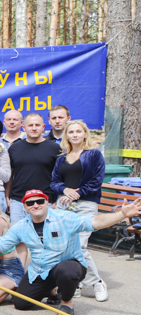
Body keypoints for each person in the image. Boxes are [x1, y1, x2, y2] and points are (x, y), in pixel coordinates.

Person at [0, 191, 141, 315]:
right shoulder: (22, 226)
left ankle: (67, 302)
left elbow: (96, 222)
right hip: (41, 270)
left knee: (66, 272)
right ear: (25, 207)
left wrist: (122, 214)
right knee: (21, 303)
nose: (35, 205)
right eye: (30, 203)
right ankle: (51, 290)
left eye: (40, 201)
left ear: (47, 203)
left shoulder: (64, 217)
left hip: (69, 264)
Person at [51, 119, 108, 301]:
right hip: (64, 206)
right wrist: (64, 190)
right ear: (66, 135)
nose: (75, 135)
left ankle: (97, 282)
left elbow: (96, 181)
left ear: (85, 134)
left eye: (78, 131)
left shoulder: (94, 155)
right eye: (71, 132)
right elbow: (54, 181)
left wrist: (77, 193)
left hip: (85, 204)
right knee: (64, 246)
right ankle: (76, 283)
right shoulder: (62, 158)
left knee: (80, 246)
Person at [7, 113, 61, 223]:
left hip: (45, 200)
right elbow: (10, 175)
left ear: (43, 127)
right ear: (24, 127)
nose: (34, 128)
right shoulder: (14, 148)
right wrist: (7, 197)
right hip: (18, 201)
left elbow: (60, 176)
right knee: (18, 237)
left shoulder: (54, 148)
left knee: (44, 237)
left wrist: (58, 200)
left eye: (37, 125)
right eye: (31, 125)